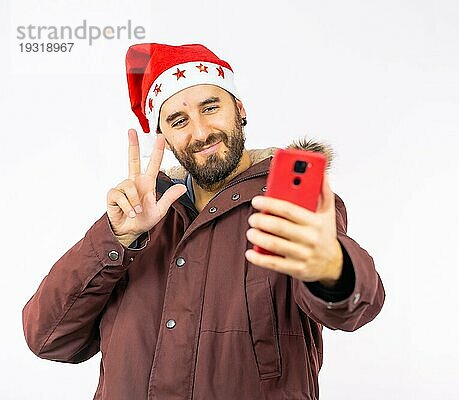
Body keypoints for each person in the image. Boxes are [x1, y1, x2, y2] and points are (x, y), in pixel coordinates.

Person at [22, 42, 385, 400]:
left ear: (240, 109)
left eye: (210, 108)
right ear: (163, 137)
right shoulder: (142, 219)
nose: (200, 132)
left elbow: (356, 308)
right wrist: (117, 238)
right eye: (179, 121)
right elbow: (47, 337)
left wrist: (334, 268)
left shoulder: (293, 199)